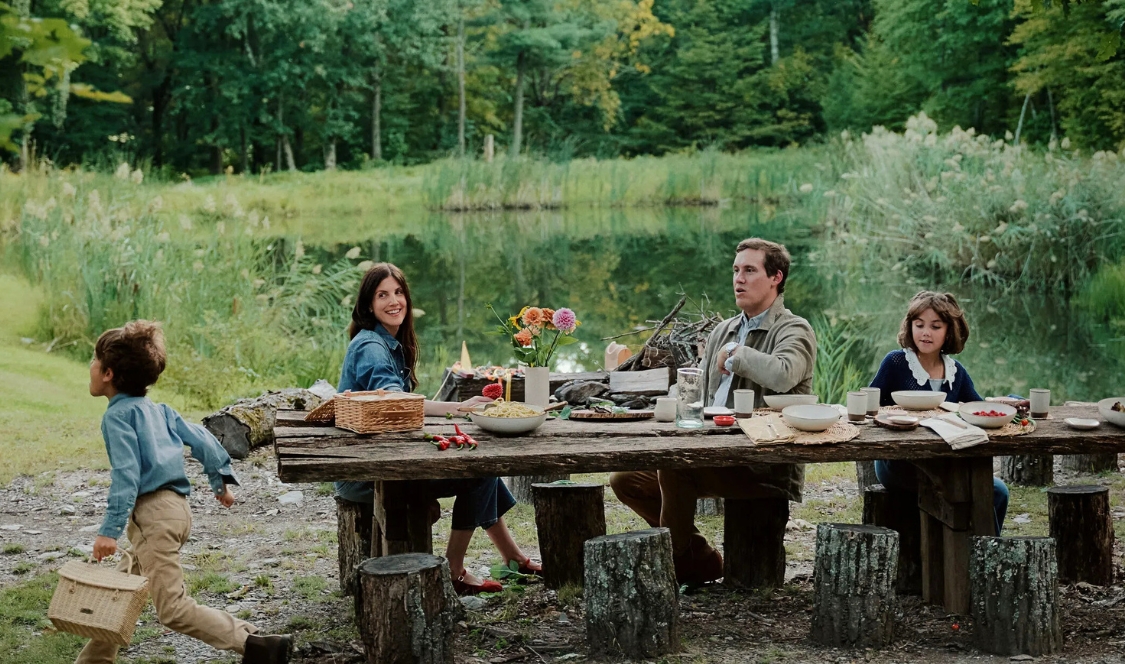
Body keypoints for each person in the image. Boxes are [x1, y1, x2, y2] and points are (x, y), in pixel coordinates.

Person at [81, 321, 290, 664]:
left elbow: (126, 475)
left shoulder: (117, 418)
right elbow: (204, 439)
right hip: (175, 511)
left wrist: (109, 530)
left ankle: (257, 645)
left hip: (153, 518)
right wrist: (219, 478)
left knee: (173, 610)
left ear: (108, 373)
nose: (89, 367)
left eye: (92, 360)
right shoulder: (160, 410)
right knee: (120, 592)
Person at [610, 238, 817, 584]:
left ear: (776, 277)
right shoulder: (725, 329)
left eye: (750, 270)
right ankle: (698, 559)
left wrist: (736, 356)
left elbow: (783, 374)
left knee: (676, 470)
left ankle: (667, 569)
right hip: (712, 449)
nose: (739, 278)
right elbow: (696, 391)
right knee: (625, 479)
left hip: (761, 462)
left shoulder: (794, 328)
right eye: (736, 270)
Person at [335, 262, 540, 595]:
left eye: (399, 292)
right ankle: (455, 571)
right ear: (368, 305)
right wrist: (459, 407)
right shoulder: (372, 347)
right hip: (366, 473)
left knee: (481, 468)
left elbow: (400, 409)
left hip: (383, 457)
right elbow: (396, 401)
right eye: (382, 295)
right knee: (479, 470)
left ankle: (513, 556)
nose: (393, 301)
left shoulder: (385, 341)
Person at [868, 290, 1009, 534]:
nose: (925, 332)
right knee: (961, 490)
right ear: (909, 327)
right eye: (919, 324)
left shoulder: (955, 372)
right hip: (899, 462)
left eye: (935, 326)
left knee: (998, 492)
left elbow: (976, 409)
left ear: (949, 331)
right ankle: (967, 557)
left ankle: (981, 557)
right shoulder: (896, 363)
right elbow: (870, 406)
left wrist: (1009, 404)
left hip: (943, 460)